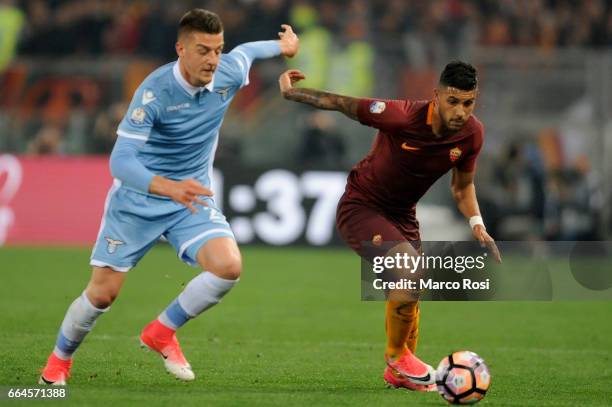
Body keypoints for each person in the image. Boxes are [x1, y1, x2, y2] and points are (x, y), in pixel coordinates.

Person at [39, 8, 299, 385]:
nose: (213, 59)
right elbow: (121, 162)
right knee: (102, 295)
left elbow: (247, 52)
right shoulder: (154, 92)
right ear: (181, 49)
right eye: (203, 50)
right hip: (138, 199)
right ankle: (58, 362)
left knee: (228, 267)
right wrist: (169, 187)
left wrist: (283, 45)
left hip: (188, 200)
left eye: (217, 49)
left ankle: (161, 331)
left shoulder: (228, 70)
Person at [279, 61, 500, 391]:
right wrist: (291, 92)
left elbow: (462, 186)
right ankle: (397, 357)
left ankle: (398, 370)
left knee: (412, 289)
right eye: (453, 101)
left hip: (403, 216)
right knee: (409, 272)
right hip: (362, 206)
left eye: (468, 103)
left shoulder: (472, 135)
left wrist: (477, 223)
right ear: (436, 96)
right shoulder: (401, 116)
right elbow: (341, 103)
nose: (460, 111)